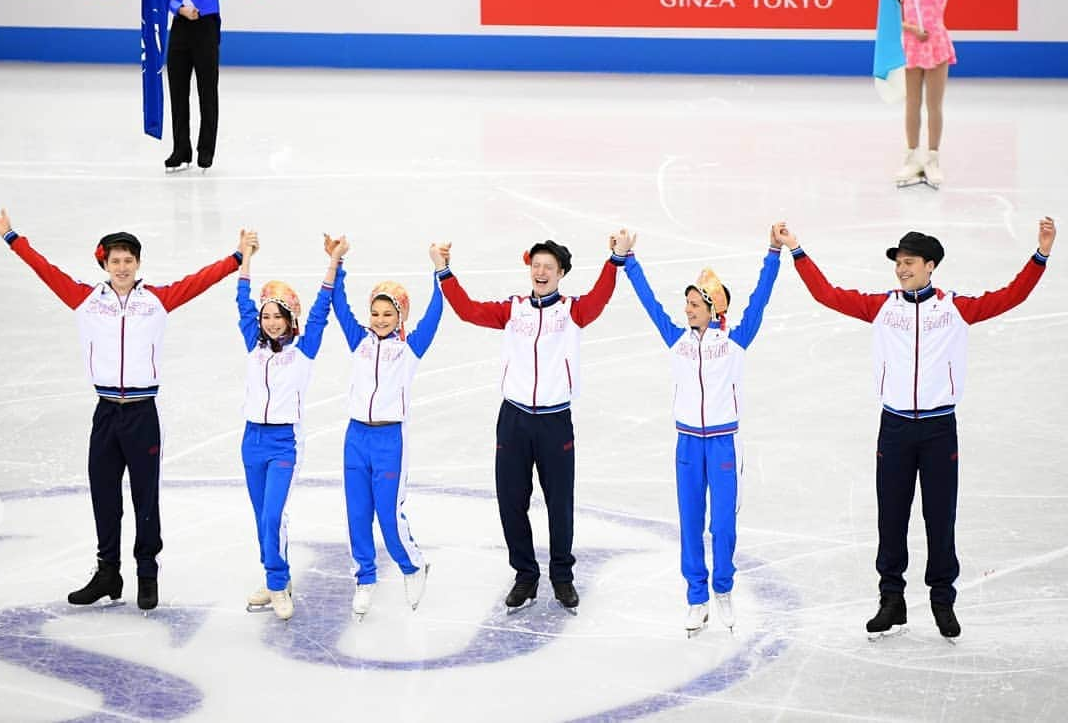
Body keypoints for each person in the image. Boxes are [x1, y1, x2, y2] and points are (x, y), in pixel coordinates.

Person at [779, 218, 1056, 639]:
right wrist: (797, 250)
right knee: (891, 515)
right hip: (894, 428)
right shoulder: (882, 307)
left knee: (939, 517)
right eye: (898, 263)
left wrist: (1041, 254)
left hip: (939, 428)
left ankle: (942, 599)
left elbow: (1010, 297)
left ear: (930, 266)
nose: (902, 269)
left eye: (909, 262)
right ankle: (891, 599)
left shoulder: (954, 308)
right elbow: (828, 294)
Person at [0, 207, 248, 611]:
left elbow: (199, 281)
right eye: (115, 261)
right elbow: (46, 269)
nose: (122, 267)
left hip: (143, 414)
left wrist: (236, 258)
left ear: (138, 263)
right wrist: (10, 236)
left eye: (129, 260)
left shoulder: (156, 301)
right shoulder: (87, 300)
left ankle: (147, 573)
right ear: (105, 264)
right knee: (104, 495)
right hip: (106, 414)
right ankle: (108, 571)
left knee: (146, 497)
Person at [430, 236, 626, 613]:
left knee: (559, 504)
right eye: (536, 265)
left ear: (561, 273)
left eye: (548, 267)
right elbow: (469, 311)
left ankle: (562, 577)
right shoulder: (513, 310)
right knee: (510, 501)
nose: (540, 272)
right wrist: (444, 271)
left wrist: (615, 260)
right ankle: (525, 574)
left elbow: (600, 297)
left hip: (555, 421)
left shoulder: (571, 312)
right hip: (514, 419)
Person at [617, 225, 785, 636]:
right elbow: (649, 303)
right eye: (687, 303)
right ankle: (696, 597)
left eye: (695, 303)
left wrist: (773, 253)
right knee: (691, 523)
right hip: (688, 444)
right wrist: (629, 262)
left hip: (724, 444)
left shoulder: (735, 342)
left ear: (714, 308)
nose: (688, 309)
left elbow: (760, 299)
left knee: (723, 525)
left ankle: (723, 588)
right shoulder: (676, 341)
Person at [329, 237, 444, 620]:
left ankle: (413, 566)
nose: (379, 319)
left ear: (400, 317)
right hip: (355, 438)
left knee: (388, 517)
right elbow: (338, 305)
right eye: (375, 312)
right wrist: (337, 264)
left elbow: (434, 315)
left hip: (388, 439)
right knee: (357, 514)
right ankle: (365, 578)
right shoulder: (358, 340)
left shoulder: (410, 348)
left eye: (387, 314)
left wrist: (438, 270)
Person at [237, 234, 348, 621]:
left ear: (290, 318)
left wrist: (334, 262)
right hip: (251, 440)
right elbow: (242, 304)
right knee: (259, 517)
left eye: (277, 316)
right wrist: (246, 257)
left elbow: (321, 309)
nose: (269, 323)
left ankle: (279, 582)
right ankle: (273, 580)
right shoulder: (254, 345)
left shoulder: (304, 348)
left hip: (284, 442)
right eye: (266, 316)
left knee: (273, 516)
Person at [163, 0, 228, 173]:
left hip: (205, 26)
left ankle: (206, 150)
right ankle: (181, 149)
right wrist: (179, 8)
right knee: (177, 89)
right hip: (180, 25)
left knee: (206, 89)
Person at [896, 0, 956, 189]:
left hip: (936, 44)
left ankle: (932, 157)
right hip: (912, 44)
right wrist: (912, 30)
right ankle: (911, 156)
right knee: (912, 104)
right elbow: (895, 19)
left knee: (934, 105)